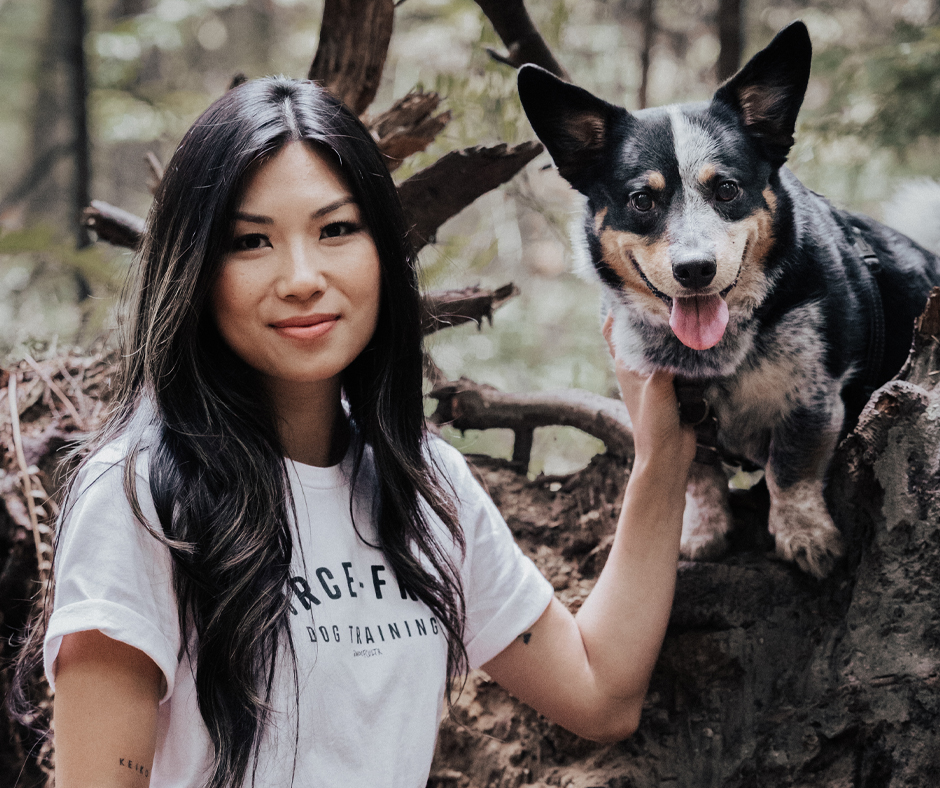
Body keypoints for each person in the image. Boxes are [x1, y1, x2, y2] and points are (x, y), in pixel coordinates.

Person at [13, 76, 696, 788]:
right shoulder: (141, 497)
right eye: (251, 241)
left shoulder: (424, 487)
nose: (303, 277)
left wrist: (663, 458)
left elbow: (599, 693)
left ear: (381, 255)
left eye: (337, 230)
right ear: (197, 271)